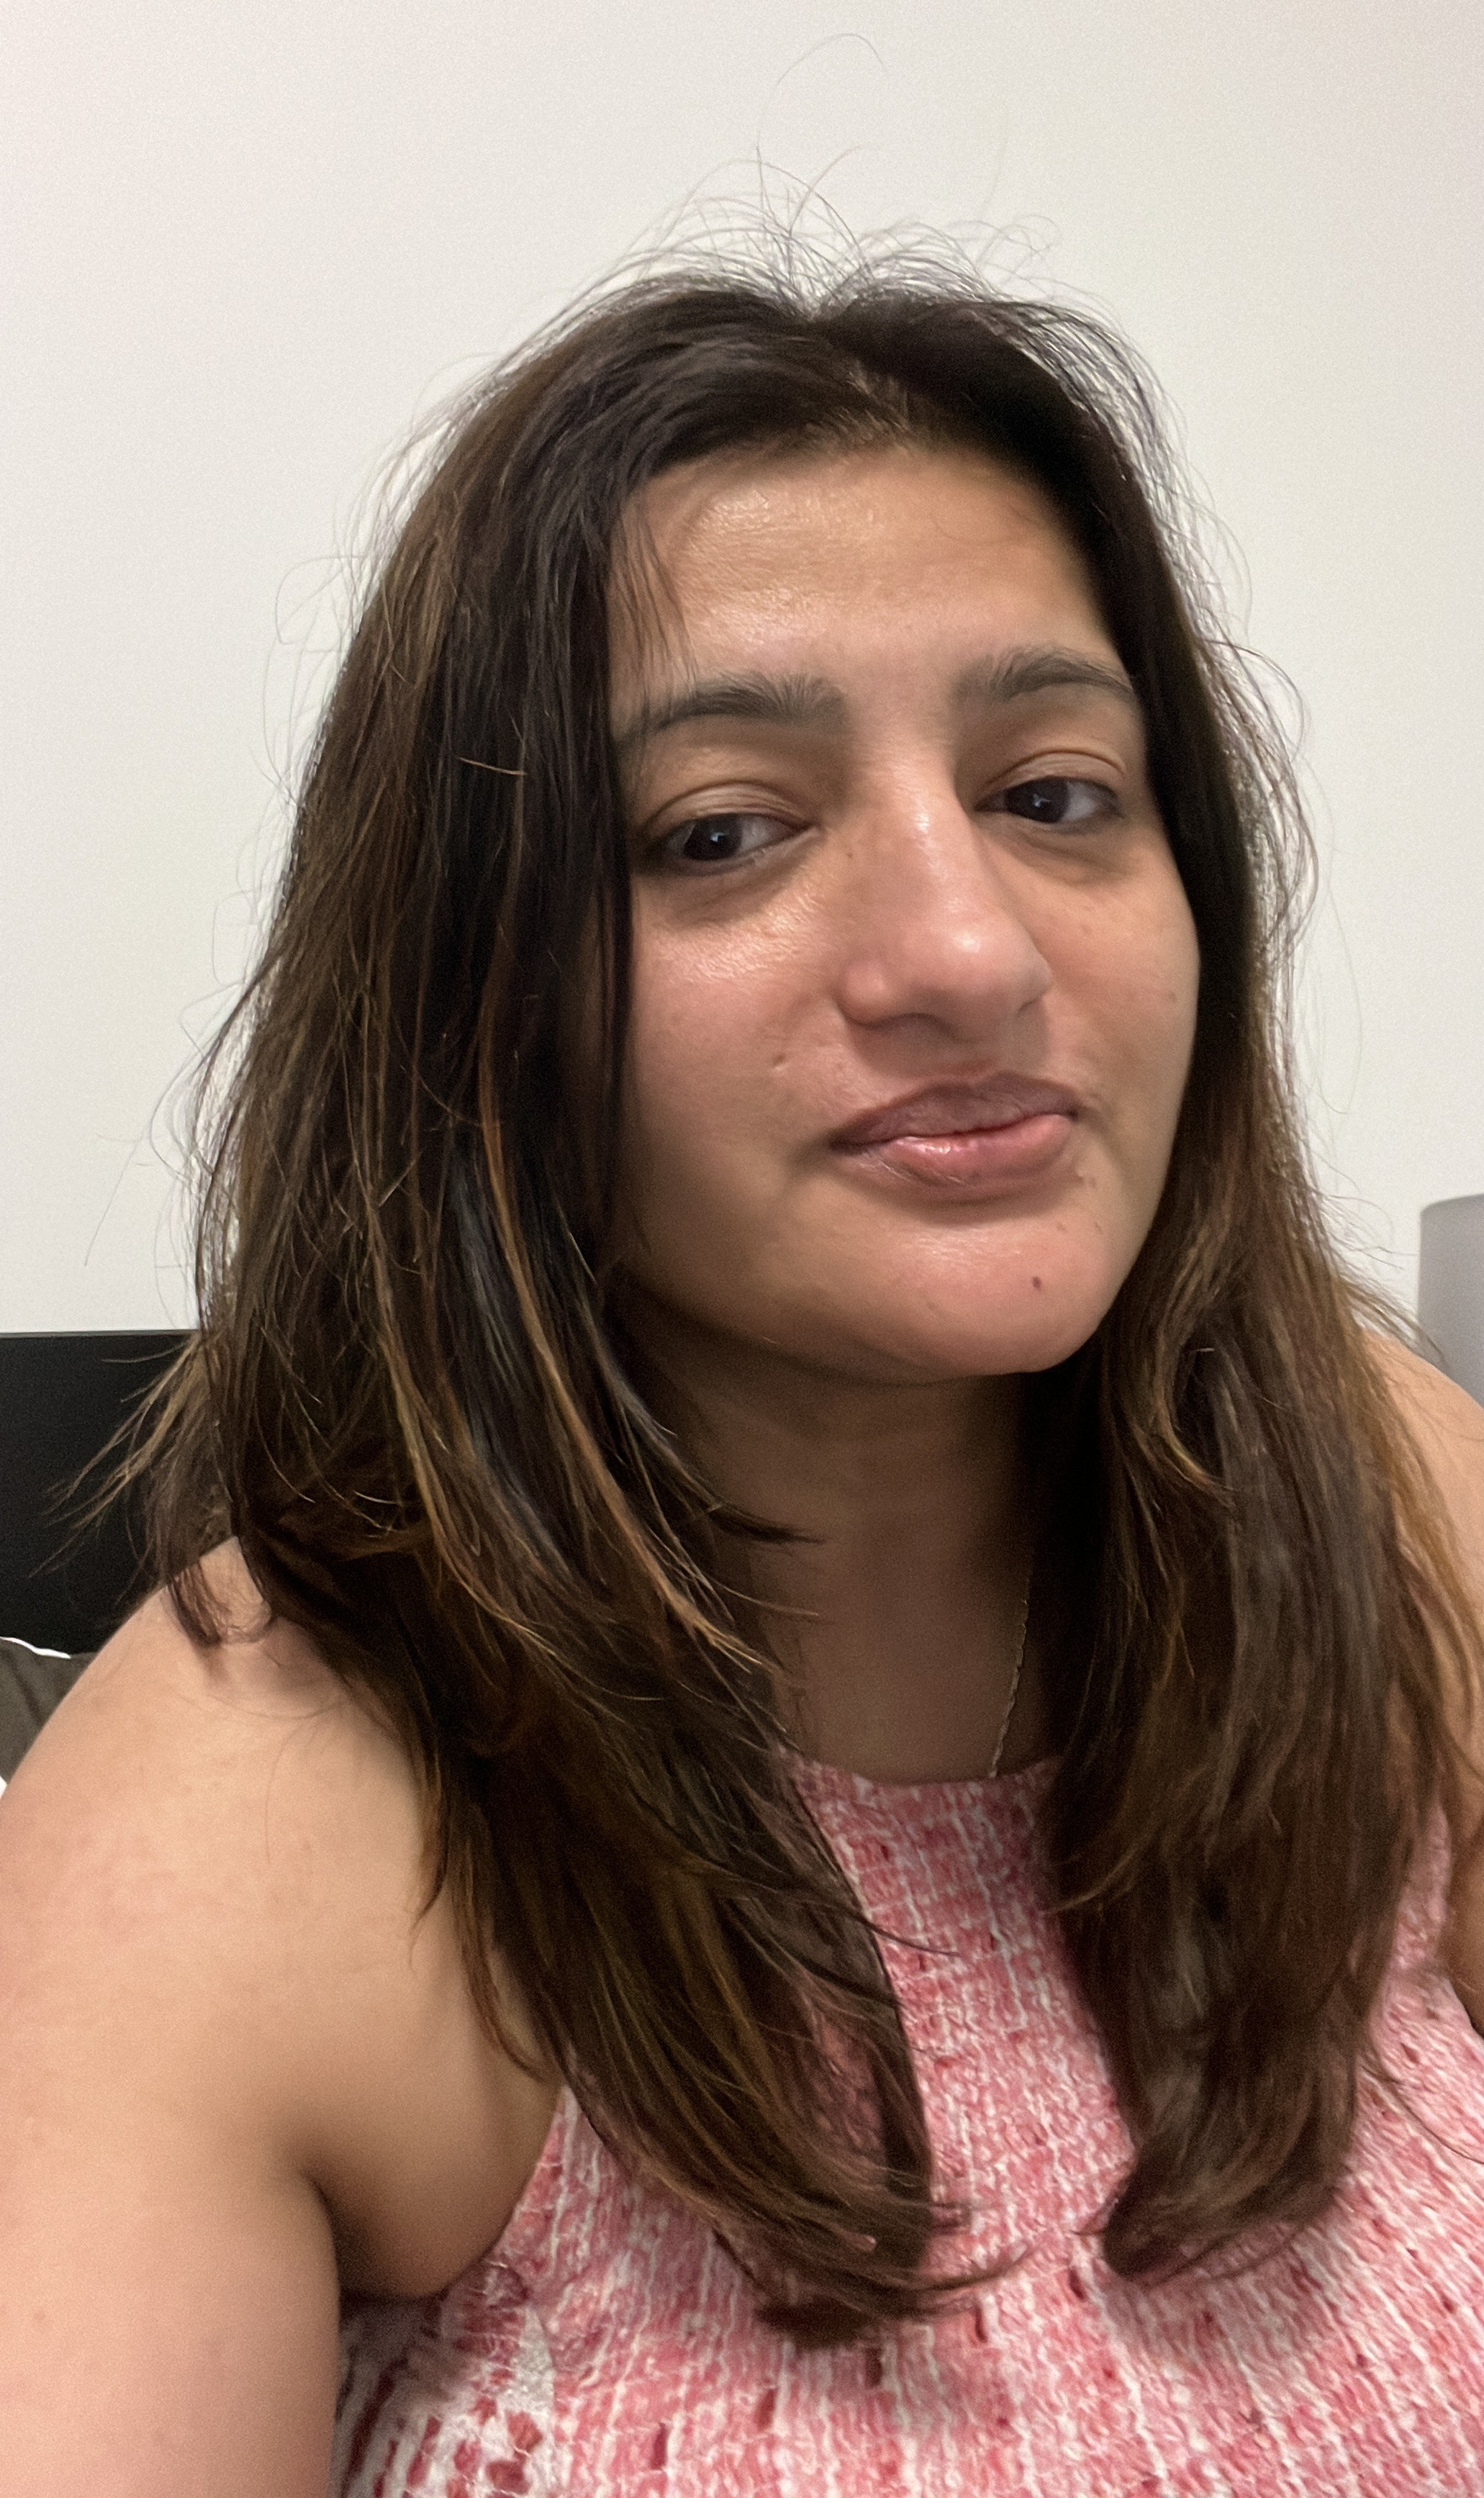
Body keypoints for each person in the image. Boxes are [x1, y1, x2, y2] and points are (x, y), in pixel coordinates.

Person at [1, 261, 1482, 2497]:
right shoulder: (247, 1836)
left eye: (1057, 792)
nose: (969, 952)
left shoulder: (1388, 1502)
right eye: (722, 831)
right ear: (481, 999)